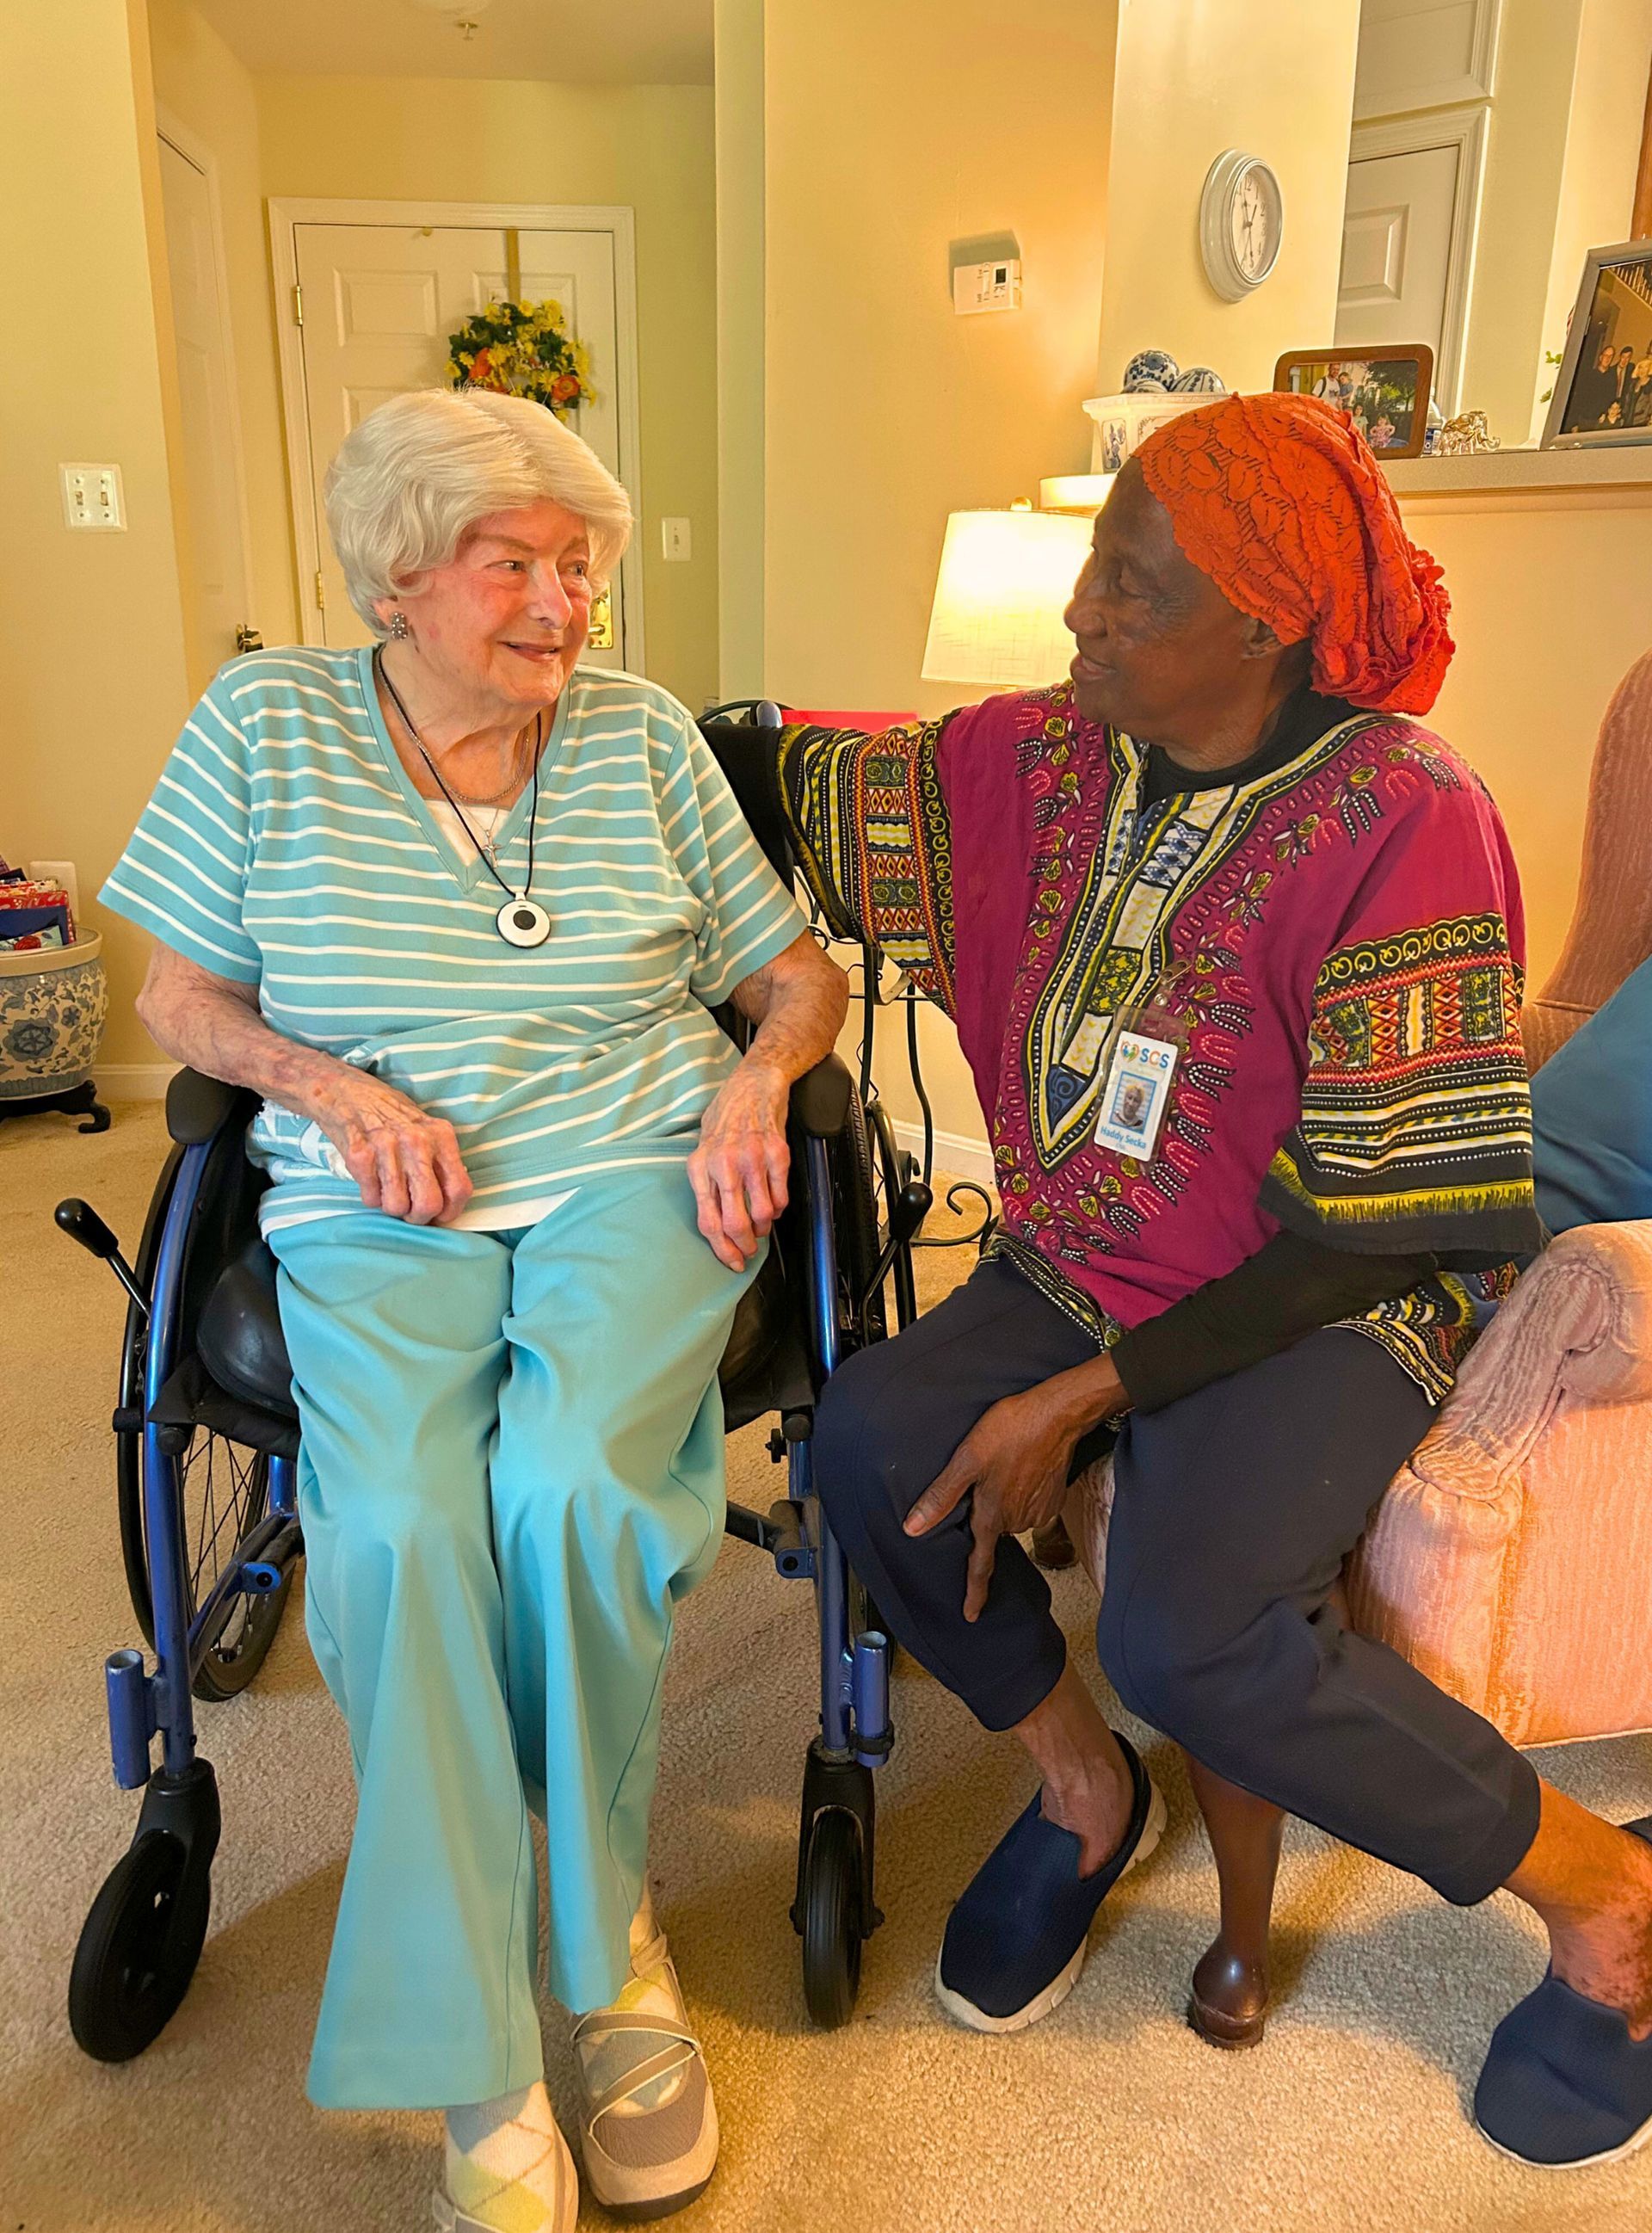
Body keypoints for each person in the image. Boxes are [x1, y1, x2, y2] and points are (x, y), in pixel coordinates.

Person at [750, 392, 1652, 2172]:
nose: (1082, 611)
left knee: (1192, 1624)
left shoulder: (1411, 811)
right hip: (1090, 1245)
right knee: (866, 1443)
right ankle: (1086, 1791)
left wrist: (1086, 1396)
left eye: (1127, 590)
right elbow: (792, 769)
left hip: (1328, 1285)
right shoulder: (1046, 757)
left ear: (1260, 619)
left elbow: (1395, 1219)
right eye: (1092, 568)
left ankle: (1604, 1893)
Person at [100, 386, 848, 2231]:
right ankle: (478, 2045)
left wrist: (756, 1082)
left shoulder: (644, 736)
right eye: (513, 560)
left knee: (578, 1491)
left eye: (577, 562)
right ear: (399, 573)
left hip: (635, 1167)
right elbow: (176, 1000)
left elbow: (797, 973)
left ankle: (607, 1953)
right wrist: (330, 1088)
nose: (562, 598)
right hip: (382, 1186)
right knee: (405, 1528)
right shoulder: (265, 724)